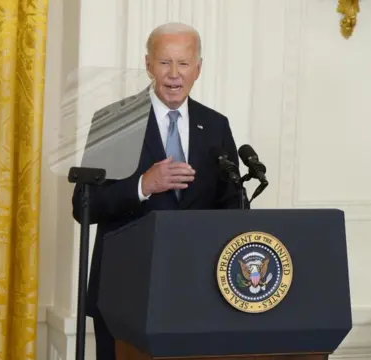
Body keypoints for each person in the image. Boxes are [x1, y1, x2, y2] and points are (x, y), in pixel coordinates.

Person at [71, 22, 244, 360]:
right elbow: (84, 205)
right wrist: (142, 186)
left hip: (197, 293)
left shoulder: (215, 126)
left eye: (183, 63)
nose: (174, 74)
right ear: (148, 64)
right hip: (124, 293)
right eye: (165, 63)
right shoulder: (116, 121)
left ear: (198, 69)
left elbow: (232, 206)